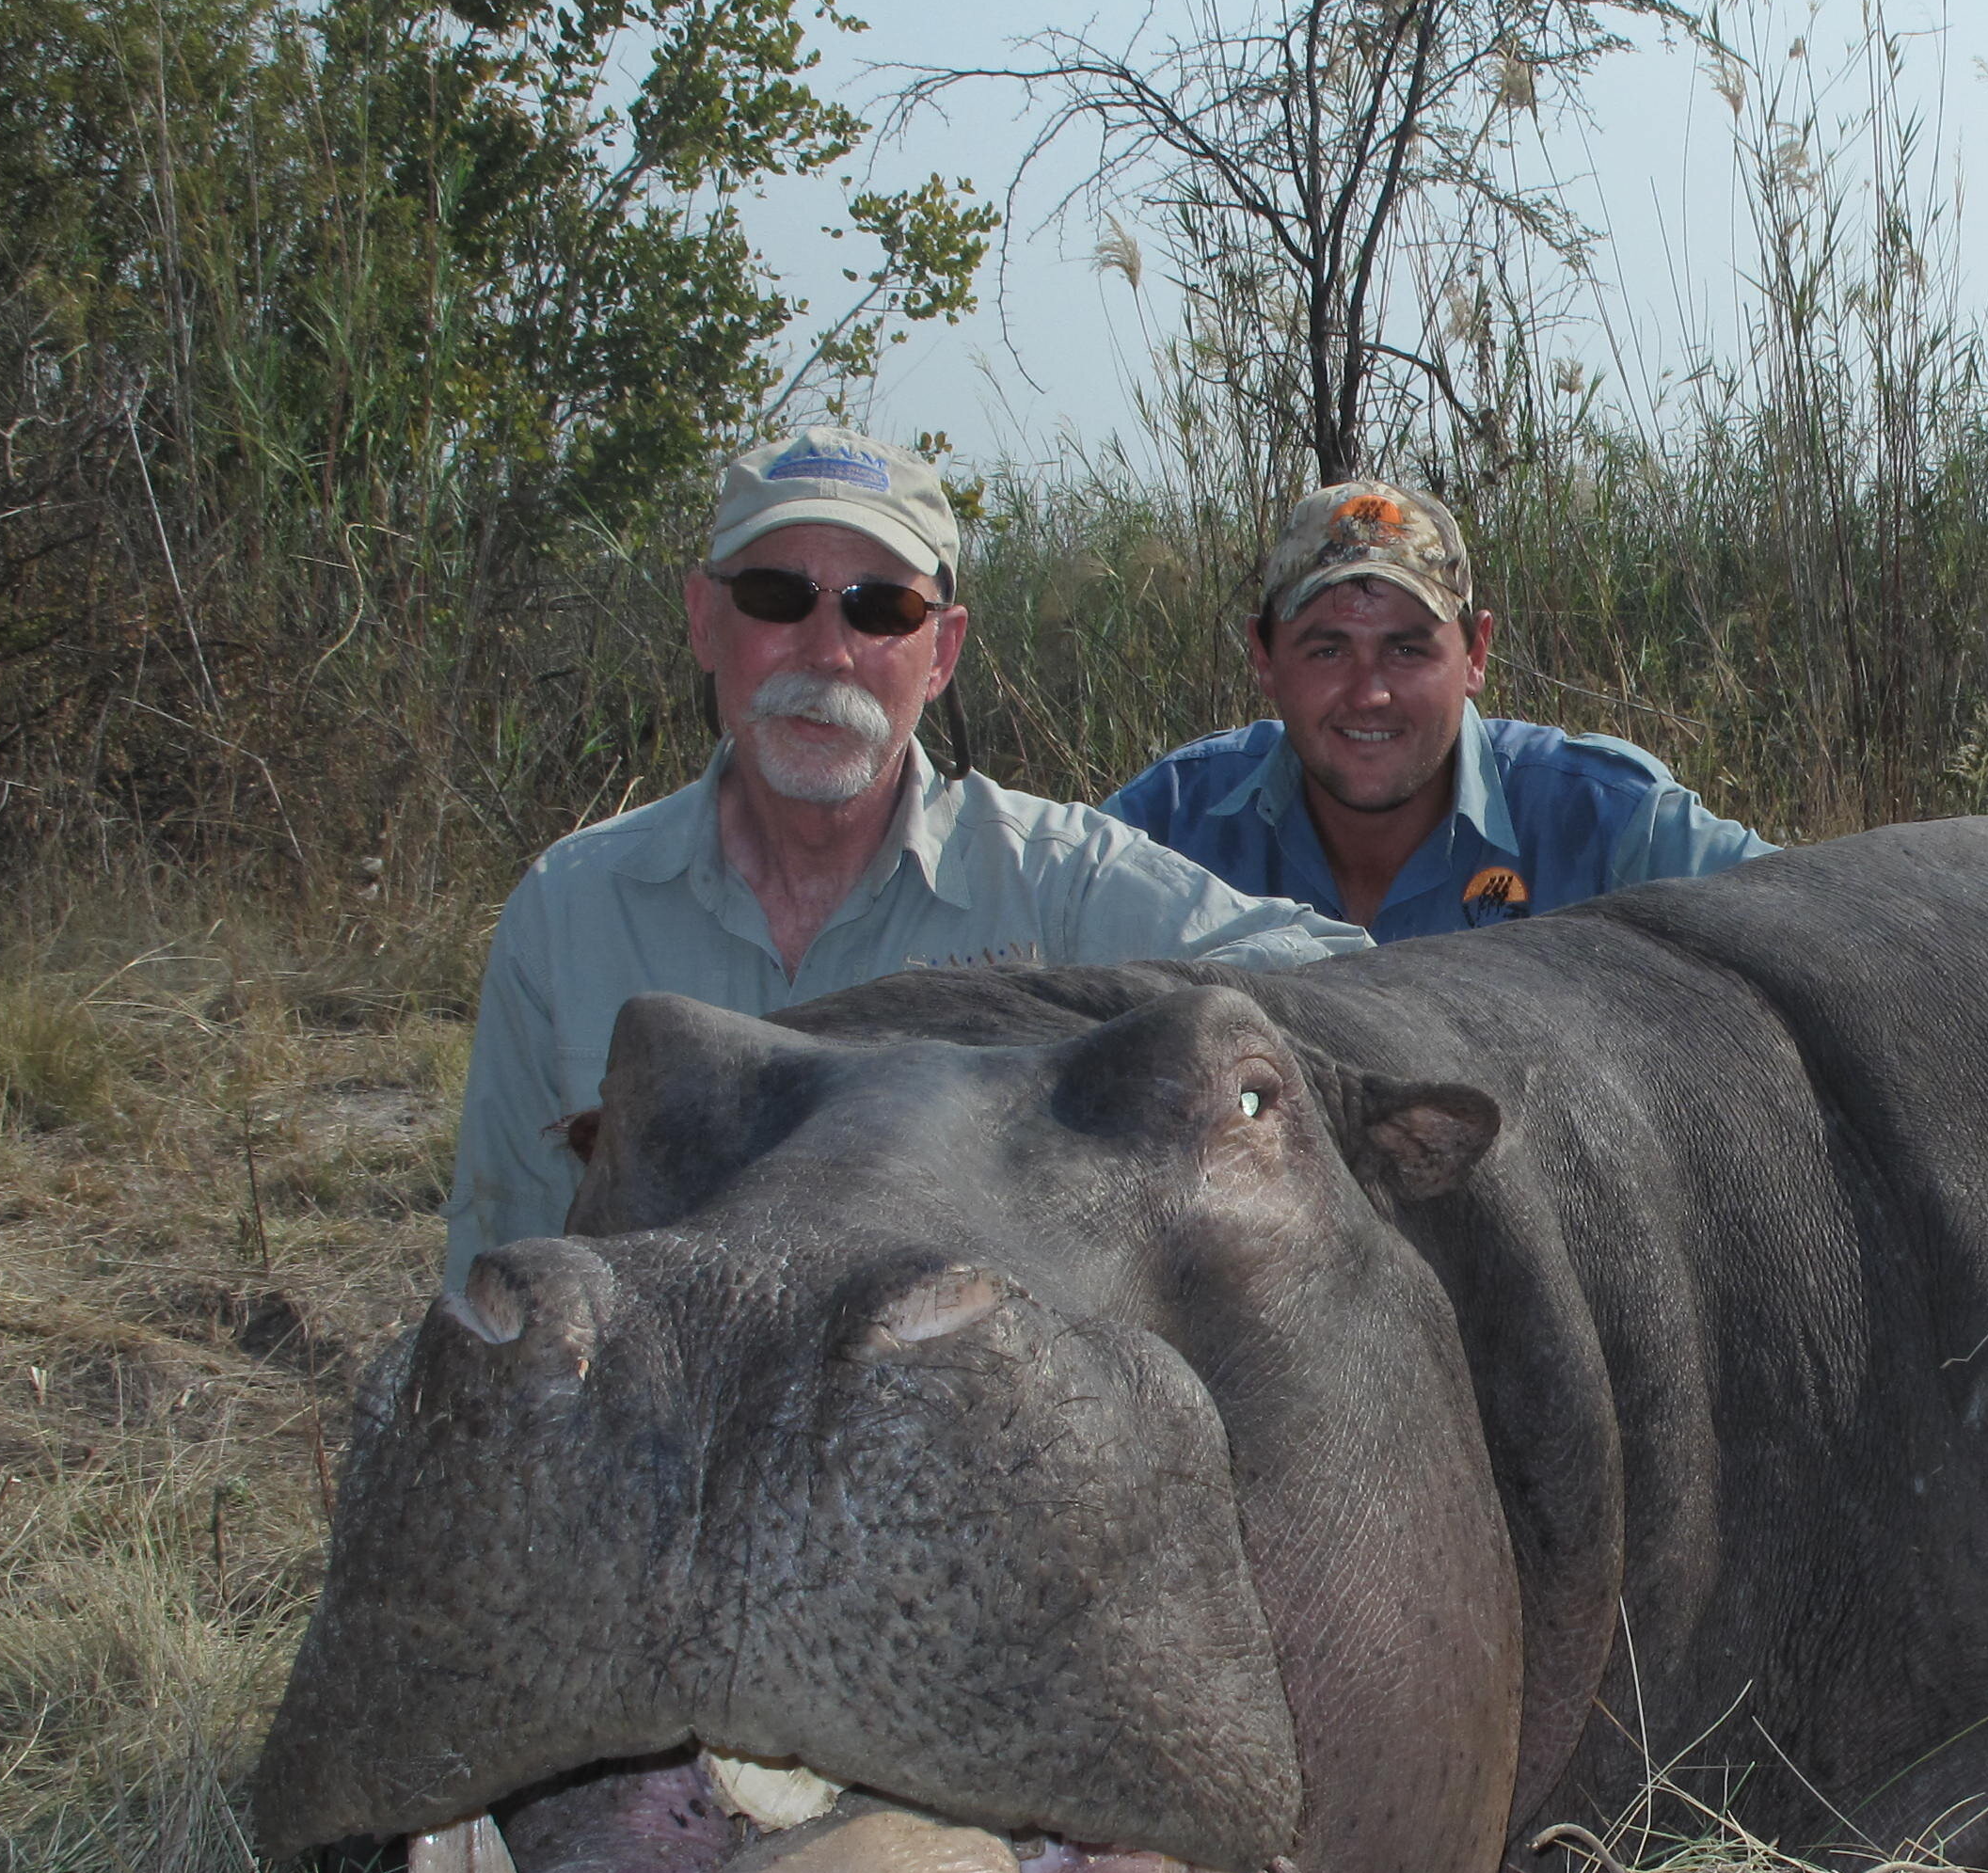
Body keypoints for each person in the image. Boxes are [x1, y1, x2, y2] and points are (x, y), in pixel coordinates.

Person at [442, 426, 1366, 1286]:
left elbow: (1351, 988)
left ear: (941, 652)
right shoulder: (568, 910)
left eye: (881, 609)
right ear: (702, 620)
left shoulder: (1058, 885)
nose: (828, 650)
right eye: (776, 597)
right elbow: (500, 1269)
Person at [1103, 476, 1773, 939]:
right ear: (1263, 657)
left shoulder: (1608, 826)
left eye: (1407, 650)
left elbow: (1821, 917)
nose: (1369, 694)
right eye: (1327, 651)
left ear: (1476, 653)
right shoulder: (1165, 828)